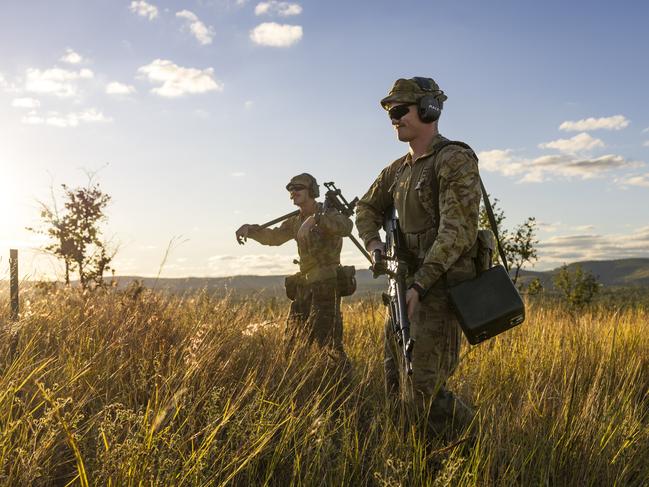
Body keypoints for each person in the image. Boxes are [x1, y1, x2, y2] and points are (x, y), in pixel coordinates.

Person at [355, 77, 481, 438]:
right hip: (405, 287)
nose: (393, 118)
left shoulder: (453, 159)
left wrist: (421, 285)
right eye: (390, 113)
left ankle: (476, 446)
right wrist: (375, 245)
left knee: (424, 390)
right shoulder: (397, 170)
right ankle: (413, 457)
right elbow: (365, 207)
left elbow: (457, 231)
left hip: (438, 291)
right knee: (395, 383)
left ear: (429, 109)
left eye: (400, 110)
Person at [236, 173, 353, 356]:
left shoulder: (328, 212)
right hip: (304, 286)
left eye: (298, 188)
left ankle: (343, 384)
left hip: (326, 287)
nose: (293, 191)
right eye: (291, 189)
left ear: (312, 191)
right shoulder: (295, 221)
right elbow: (273, 237)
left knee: (329, 346)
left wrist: (317, 219)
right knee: (292, 343)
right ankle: (300, 380)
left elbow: (346, 227)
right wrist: (250, 230)